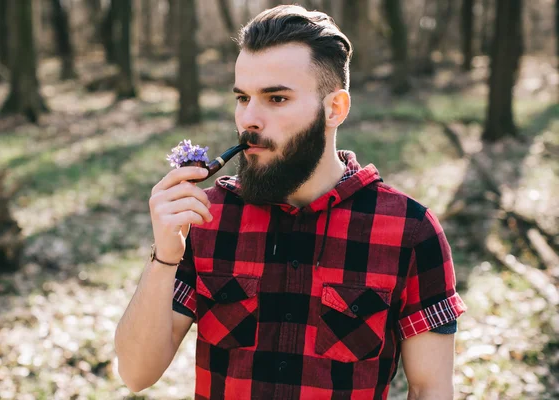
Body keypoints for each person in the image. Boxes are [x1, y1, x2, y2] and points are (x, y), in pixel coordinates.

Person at [115, 5, 466, 399]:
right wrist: (164, 256)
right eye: (242, 98)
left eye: (276, 99)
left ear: (335, 109)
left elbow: (430, 389)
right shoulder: (208, 217)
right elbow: (135, 374)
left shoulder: (410, 231)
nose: (249, 119)